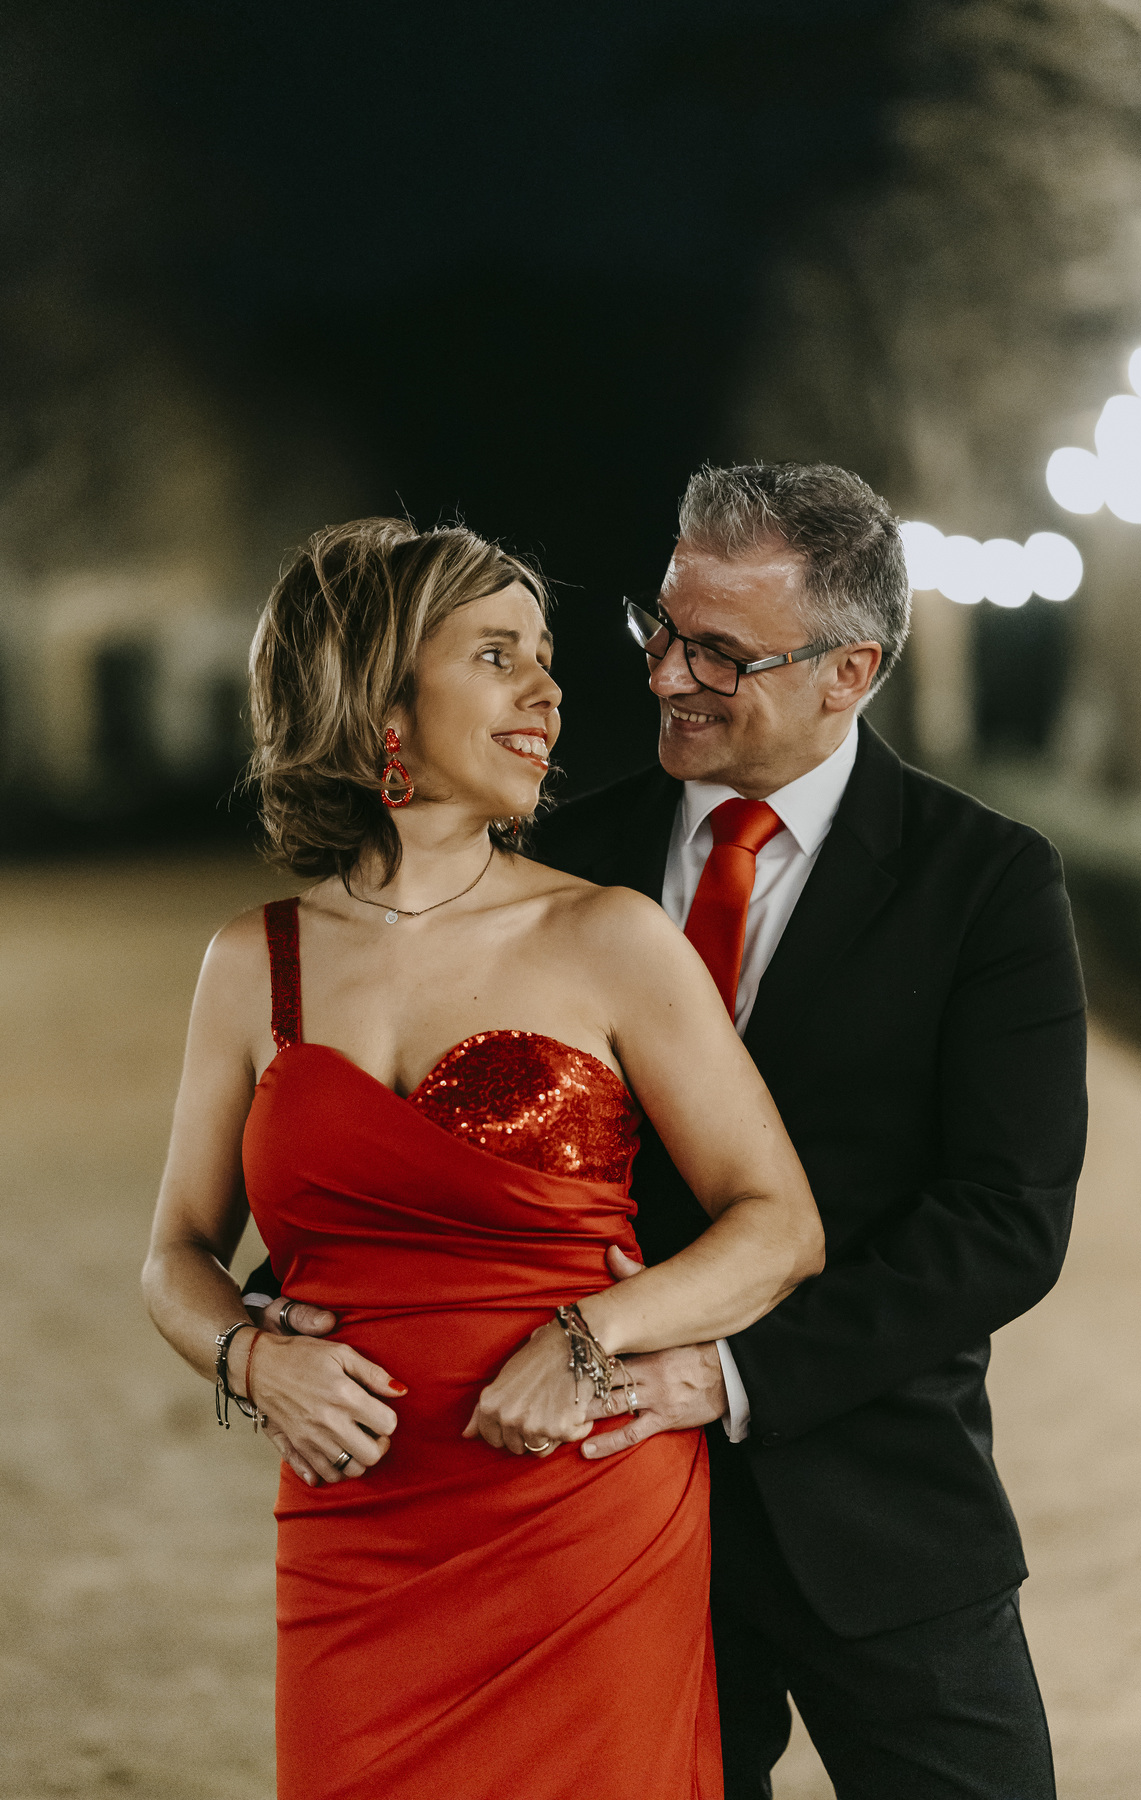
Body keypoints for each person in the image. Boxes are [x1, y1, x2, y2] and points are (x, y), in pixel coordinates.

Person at [251, 463, 1088, 1800]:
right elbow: (433, 1145)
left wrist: (728, 1372)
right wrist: (289, 1309)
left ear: (851, 670)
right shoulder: (556, 862)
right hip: (578, 1511)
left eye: (720, 654)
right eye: (661, 630)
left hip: (874, 1506)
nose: (664, 676)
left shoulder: (985, 880)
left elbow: (1005, 1223)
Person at [142, 516, 825, 1800]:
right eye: (498, 655)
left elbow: (780, 1225)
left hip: (585, 1516)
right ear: (382, 694)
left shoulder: (610, 936)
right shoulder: (251, 962)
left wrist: (590, 1337)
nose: (550, 693)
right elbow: (175, 1253)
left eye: (548, 659)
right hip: (355, 1531)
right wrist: (253, 1359)